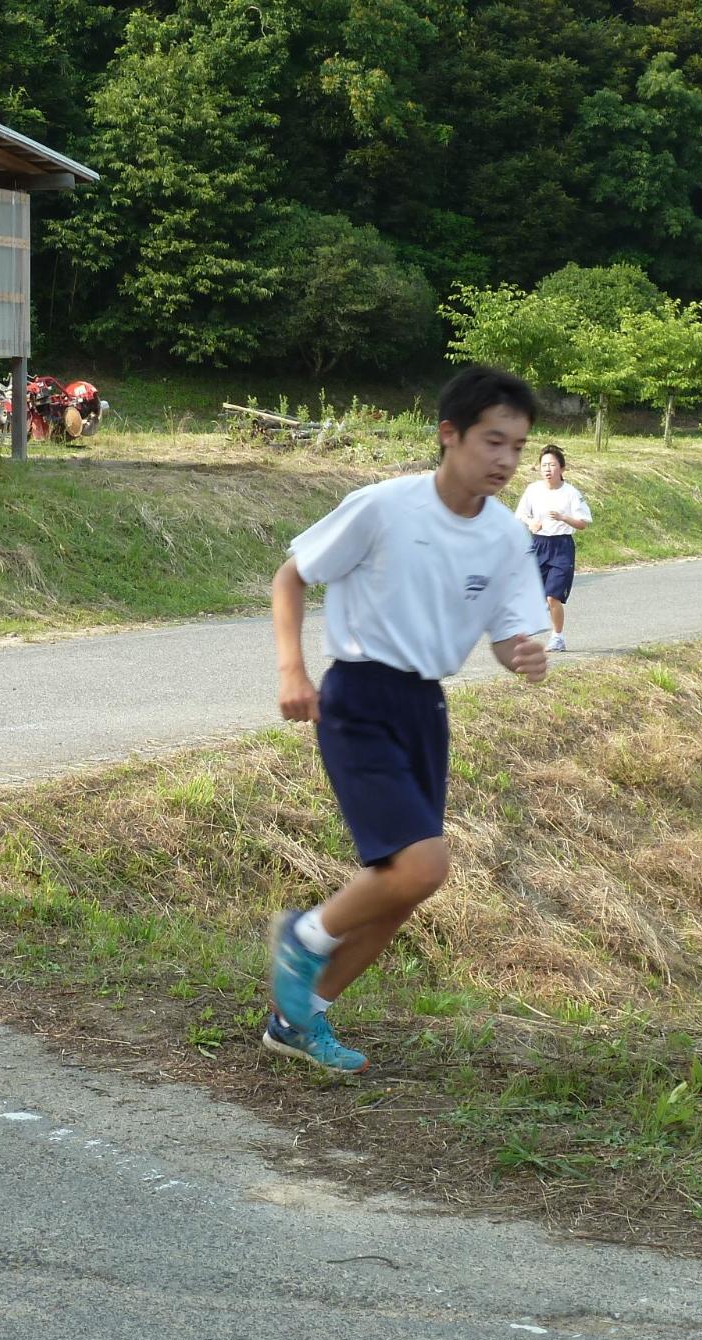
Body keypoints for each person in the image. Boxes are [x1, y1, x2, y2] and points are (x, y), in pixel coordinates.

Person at [264, 365, 553, 1073]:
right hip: (359, 698)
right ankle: (301, 938)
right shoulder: (385, 507)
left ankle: (297, 1020)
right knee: (423, 866)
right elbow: (291, 575)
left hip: (426, 708)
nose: (507, 461)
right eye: (493, 442)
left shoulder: (507, 539)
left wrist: (524, 655)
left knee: (399, 892)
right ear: (448, 436)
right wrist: (293, 671)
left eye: (517, 447)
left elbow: (511, 637)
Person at [513, 444, 591, 650]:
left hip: (562, 546)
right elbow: (520, 514)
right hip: (538, 544)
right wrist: (531, 523)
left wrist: (564, 517)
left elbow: (583, 523)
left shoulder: (571, 493)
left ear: (562, 469)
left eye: (553, 465)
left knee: (553, 597)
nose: (548, 469)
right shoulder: (533, 490)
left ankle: (557, 637)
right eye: (544, 465)